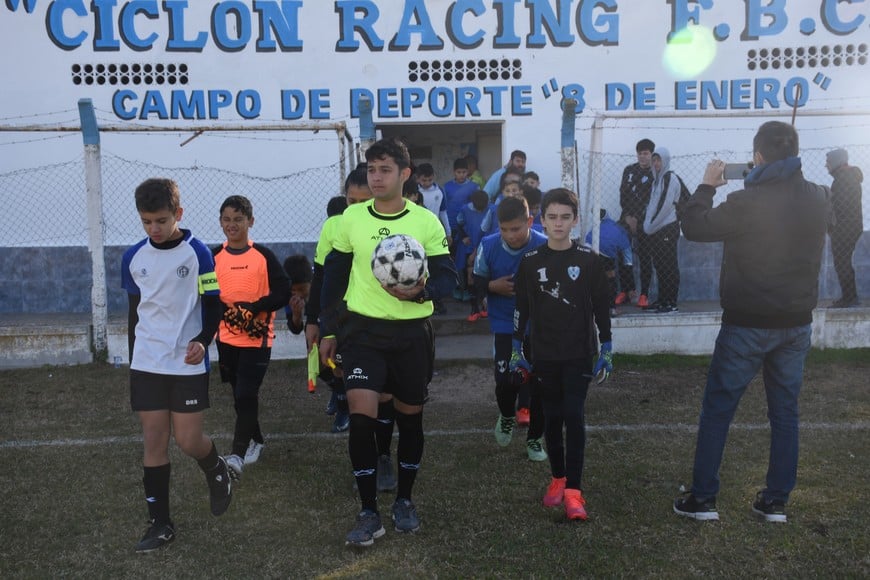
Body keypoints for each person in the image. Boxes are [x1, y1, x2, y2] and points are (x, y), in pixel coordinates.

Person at [674, 121, 830, 523]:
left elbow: (693, 227)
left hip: (746, 324)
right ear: (795, 153)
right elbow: (816, 204)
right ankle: (775, 501)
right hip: (796, 323)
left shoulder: (746, 202)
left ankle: (703, 498)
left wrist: (707, 185)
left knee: (718, 410)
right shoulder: (818, 197)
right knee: (784, 413)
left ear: (757, 157)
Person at [319, 138, 457, 547]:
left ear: (404, 174)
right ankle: (367, 512)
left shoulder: (426, 222)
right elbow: (333, 278)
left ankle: (405, 501)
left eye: (384, 170)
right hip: (362, 332)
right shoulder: (351, 219)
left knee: (409, 417)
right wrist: (327, 329)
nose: (376, 177)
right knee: (361, 418)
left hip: (412, 334)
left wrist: (420, 293)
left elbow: (448, 278)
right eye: (371, 170)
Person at [121, 178, 232, 553]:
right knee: (154, 442)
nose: (155, 228)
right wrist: (136, 359)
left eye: (162, 220)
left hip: (186, 361)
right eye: (147, 221)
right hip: (148, 363)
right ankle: (160, 525)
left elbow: (215, 304)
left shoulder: (198, 253)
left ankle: (217, 471)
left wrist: (203, 341)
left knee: (188, 441)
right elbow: (135, 313)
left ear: (178, 214)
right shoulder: (133, 258)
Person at [513, 188, 612, 521]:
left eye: (565, 217)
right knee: (552, 419)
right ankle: (557, 479)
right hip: (544, 353)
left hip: (579, 353)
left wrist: (607, 346)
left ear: (575, 220)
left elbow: (602, 308)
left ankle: (574, 493)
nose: (558, 223)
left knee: (574, 415)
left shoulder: (589, 260)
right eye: (552, 217)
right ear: (542, 220)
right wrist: (516, 348)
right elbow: (521, 308)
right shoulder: (529, 262)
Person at [213, 195, 291, 480]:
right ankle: (256, 439)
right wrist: (228, 313)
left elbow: (283, 291)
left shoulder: (263, 256)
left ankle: (236, 454)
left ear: (250, 221)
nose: (232, 225)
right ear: (220, 222)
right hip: (226, 339)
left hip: (257, 339)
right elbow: (206, 294)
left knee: (246, 392)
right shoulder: (213, 256)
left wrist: (255, 308)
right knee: (238, 395)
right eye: (226, 219)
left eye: (238, 219)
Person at [473, 196, 548, 456]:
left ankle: (535, 439)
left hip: (538, 326)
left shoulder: (544, 246)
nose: (509, 235)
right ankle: (507, 414)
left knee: (540, 385)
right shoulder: (489, 244)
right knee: (506, 381)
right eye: (504, 229)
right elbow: (475, 282)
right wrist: (492, 287)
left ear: (529, 221)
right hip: (505, 325)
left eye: (515, 229)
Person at [305, 167, 376, 435]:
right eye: (351, 201)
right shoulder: (333, 226)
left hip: (373, 313)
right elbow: (321, 275)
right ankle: (343, 402)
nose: (356, 207)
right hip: (340, 311)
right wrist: (313, 319)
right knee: (335, 366)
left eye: (363, 202)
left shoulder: (386, 226)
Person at [642, 148, 684, 313]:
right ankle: (662, 300)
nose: (656, 163)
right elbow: (652, 206)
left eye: (659, 160)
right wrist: (648, 224)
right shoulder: (656, 181)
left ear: (665, 160)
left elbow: (665, 206)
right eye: (654, 160)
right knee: (659, 265)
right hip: (657, 229)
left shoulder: (670, 178)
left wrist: (650, 226)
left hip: (667, 228)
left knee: (669, 265)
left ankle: (671, 302)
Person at [617, 138, 655, 308]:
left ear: (652, 155)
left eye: (646, 153)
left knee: (645, 256)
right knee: (623, 253)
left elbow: (653, 200)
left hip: (646, 222)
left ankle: (644, 295)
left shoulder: (656, 173)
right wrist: (628, 217)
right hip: (627, 218)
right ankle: (627, 290)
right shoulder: (629, 170)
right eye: (640, 153)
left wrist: (639, 219)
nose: (642, 157)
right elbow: (623, 195)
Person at [825, 148, 863, 308]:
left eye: (828, 162)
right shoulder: (847, 177)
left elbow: (840, 206)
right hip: (849, 226)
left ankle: (850, 299)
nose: (826, 166)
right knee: (843, 262)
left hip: (844, 227)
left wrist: (831, 223)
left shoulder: (843, 178)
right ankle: (849, 297)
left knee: (842, 262)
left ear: (836, 162)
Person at [585, 209, 633, 315]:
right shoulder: (623, 233)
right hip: (606, 252)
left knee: (593, 280)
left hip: (589, 247)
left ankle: (593, 307)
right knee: (610, 279)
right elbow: (628, 258)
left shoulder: (602, 224)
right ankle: (611, 308)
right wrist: (630, 284)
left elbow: (588, 238)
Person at [442, 157, 478, 247]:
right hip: (451, 225)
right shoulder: (447, 187)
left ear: (468, 171)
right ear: (454, 172)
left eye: (464, 172)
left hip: (466, 227)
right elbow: (443, 208)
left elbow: (477, 208)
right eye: (459, 172)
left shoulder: (474, 187)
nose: (461, 175)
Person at [481, 169, 523, 237]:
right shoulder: (493, 210)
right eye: (507, 191)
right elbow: (483, 229)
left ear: (521, 191)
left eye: (514, 190)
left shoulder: (524, 210)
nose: (511, 194)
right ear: (503, 192)